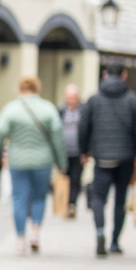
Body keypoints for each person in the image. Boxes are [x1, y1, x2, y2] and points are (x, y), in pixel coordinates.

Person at [0, 76, 66, 254]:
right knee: (39, 197)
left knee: (19, 199)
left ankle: (20, 240)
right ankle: (35, 232)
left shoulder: (11, 109)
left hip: (17, 161)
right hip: (43, 161)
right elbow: (58, 139)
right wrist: (62, 163)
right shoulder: (48, 109)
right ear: (37, 89)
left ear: (20, 89)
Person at [77, 63, 136, 257]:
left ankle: (99, 231)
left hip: (102, 157)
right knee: (120, 200)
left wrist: (84, 151)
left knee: (98, 198)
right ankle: (115, 242)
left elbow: (83, 128)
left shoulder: (93, 100)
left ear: (104, 74)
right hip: (125, 158)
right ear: (124, 75)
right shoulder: (134, 100)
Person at [59, 84, 83, 219]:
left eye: (73, 97)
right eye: (69, 97)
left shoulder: (83, 111)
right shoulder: (61, 111)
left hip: (78, 152)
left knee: (75, 179)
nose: (71, 100)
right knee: (64, 178)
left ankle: (72, 204)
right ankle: (63, 204)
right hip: (64, 152)